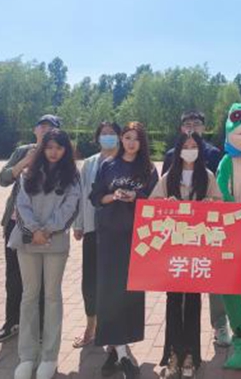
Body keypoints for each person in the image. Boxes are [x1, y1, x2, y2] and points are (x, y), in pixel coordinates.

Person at [8, 129, 81, 379]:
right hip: (27, 240)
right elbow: (21, 205)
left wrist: (47, 230)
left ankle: (49, 356)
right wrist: (34, 230)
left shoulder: (72, 176)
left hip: (55, 242)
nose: (53, 152)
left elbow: (71, 208)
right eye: (49, 147)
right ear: (42, 148)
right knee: (29, 296)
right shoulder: (28, 172)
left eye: (58, 147)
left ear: (65, 150)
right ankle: (27, 356)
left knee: (52, 297)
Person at [151, 132, 222, 379]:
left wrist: (209, 204)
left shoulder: (207, 176)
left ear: (200, 150)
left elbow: (220, 204)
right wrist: (166, 204)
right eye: (186, 146)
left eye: (194, 146)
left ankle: (191, 353)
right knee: (173, 300)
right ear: (178, 150)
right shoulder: (169, 176)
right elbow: (152, 204)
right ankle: (173, 353)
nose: (190, 150)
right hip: (173, 248)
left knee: (192, 300)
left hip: (197, 247)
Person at [90, 121, 158, 379]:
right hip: (109, 236)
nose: (131, 142)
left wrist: (136, 197)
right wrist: (114, 196)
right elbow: (96, 197)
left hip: (137, 238)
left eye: (136, 138)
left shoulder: (148, 168)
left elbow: (155, 201)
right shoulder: (108, 164)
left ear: (142, 143)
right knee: (109, 292)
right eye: (127, 137)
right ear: (121, 139)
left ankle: (118, 348)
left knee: (130, 293)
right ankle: (120, 353)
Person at [161, 111, 230, 347]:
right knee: (182, 275)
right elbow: (164, 192)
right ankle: (180, 327)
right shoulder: (171, 155)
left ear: (204, 127)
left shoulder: (214, 154)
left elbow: (219, 191)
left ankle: (220, 323)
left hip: (206, 228)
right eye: (187, 124)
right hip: (179, 230)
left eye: (196, 124)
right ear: (181, 129)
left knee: (212, 274)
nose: (192, 128)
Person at [0, 114, 59, 344]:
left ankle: (40, 327)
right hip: (15, 224)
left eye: (51, 128)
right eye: (42, 127)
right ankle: (12, 322)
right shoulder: (22, 151)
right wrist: (23, 163)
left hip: (43, 228)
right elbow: (2, 179)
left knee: (41, 279)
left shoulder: (58, 153)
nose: (45, 131)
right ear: (35, 130)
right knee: (13, 277)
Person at [72, 121, 121, 348]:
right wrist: (79, 224)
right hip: (93, 228)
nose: (108, 137)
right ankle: (91, 326)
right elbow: (82, 194)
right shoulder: (90, 163)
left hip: (118, 231)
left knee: (114, 281)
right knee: (90, 280)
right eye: (104, 134)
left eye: (112, 133)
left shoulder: (125, 161)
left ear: (119, 137)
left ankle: (112, 329)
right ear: (98, 137)